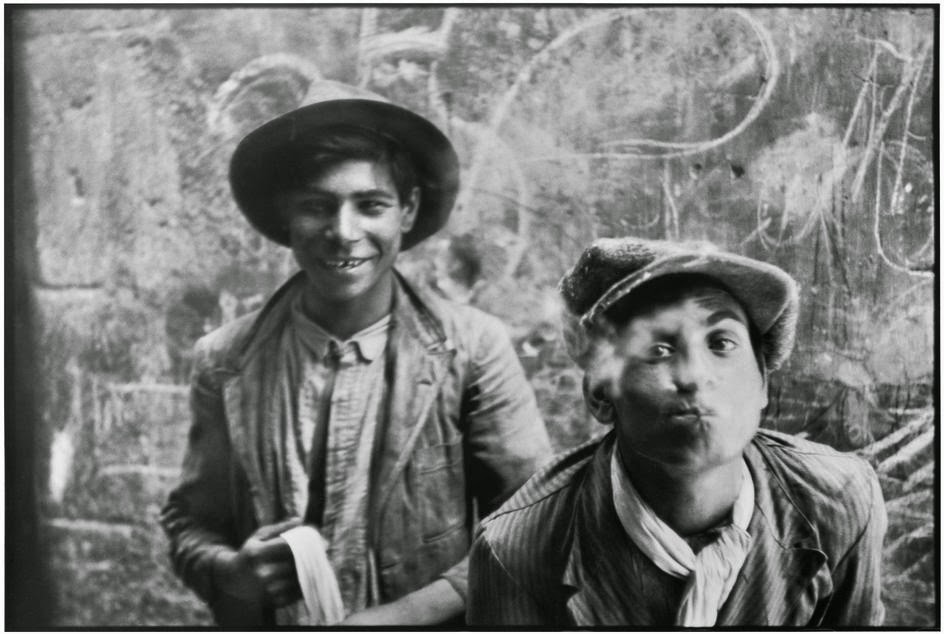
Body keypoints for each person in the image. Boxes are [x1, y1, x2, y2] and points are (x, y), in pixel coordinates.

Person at [160, 97, 552, 626]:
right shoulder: (224, 360)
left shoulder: (473, 347)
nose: (343, 231)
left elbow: (537, 526)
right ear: (285, 212)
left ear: (407, 210)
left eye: (370, 205)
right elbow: (191, 521)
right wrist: (232, 572)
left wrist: (401, 617)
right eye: (317, 206)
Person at [467, 237, 887, 627]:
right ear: (600, 393)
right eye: (657, 349)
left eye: (721, 343)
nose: (695, 375)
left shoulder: (840, 501)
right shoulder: (515, 551)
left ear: (763, 382)